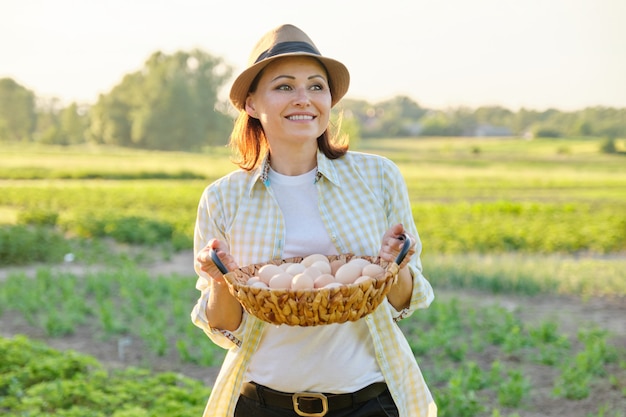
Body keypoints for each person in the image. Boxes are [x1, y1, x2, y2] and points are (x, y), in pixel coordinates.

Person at [192, 24, 436, 417]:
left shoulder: (377, 178)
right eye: (285, 86)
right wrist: (221, 280)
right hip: (262, 404)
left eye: (316, 86)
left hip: (367, 402)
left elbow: (404, 302)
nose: (304, 99)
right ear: (252, 104)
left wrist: (396, 265)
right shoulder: (223, 198)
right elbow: (226, 327)